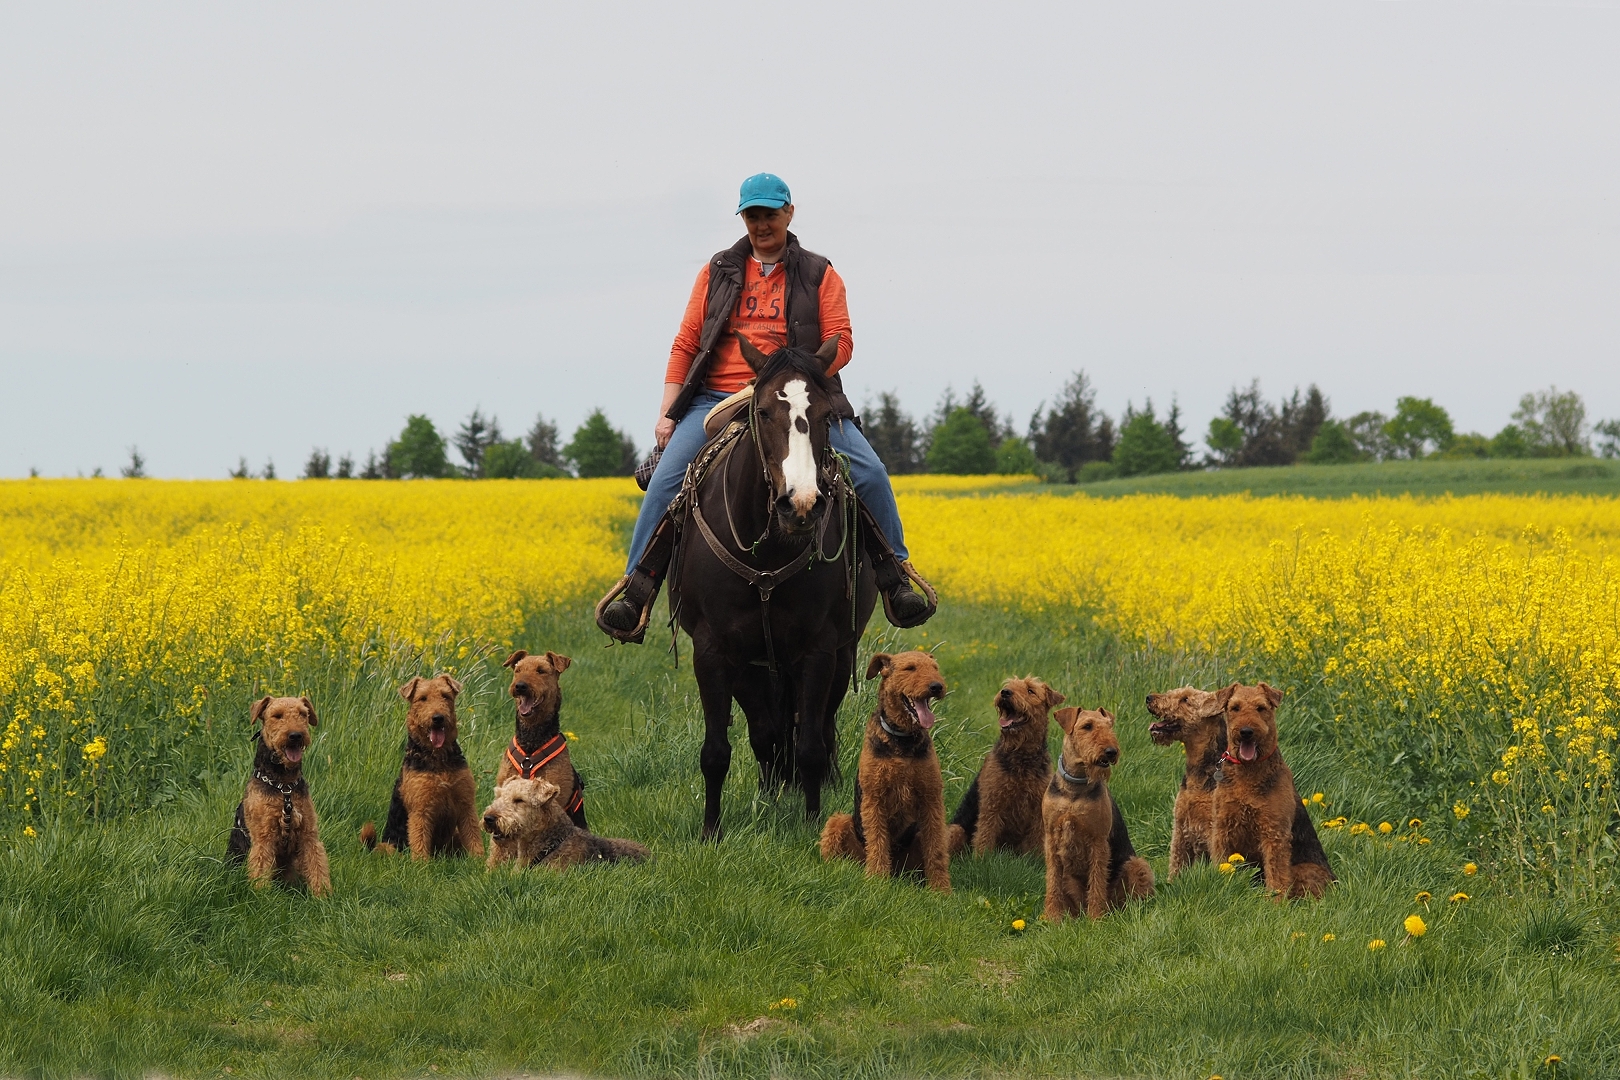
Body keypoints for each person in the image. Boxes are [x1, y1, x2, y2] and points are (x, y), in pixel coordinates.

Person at [596, 172, 934, 641]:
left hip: (799, 398)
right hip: (719, 398)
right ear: (743, 218)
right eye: (752, 215)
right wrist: (668, 413)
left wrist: (802, 373)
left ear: (789, 213)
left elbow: (844, 340)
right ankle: (636, 590)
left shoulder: (820, 272)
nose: (761, 224)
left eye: (770, 214)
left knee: (871, 473)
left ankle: (895, 577)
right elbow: (686, 343)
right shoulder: (717, 271)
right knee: (669, 479)